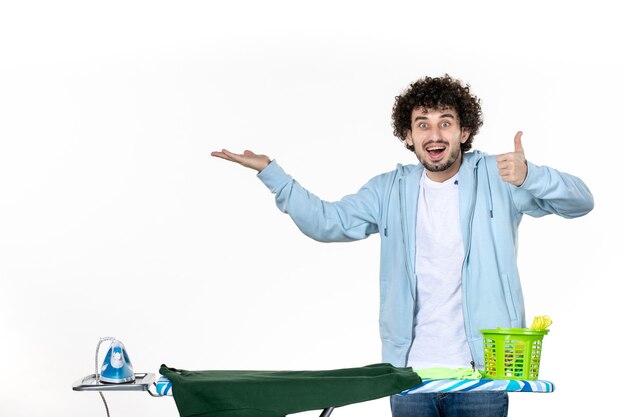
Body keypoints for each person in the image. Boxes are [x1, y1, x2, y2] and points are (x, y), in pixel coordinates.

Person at [211, 74, 594, 417]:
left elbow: (581, 202)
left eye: (446, 123)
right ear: (408, 136)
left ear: (464, 132)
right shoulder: (388, 190)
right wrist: (272, 174)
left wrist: (531, 176)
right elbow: (328, 223)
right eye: (422, 124)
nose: (435, 135)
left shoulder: (498, 177)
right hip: (408, 378)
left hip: (483, 377)